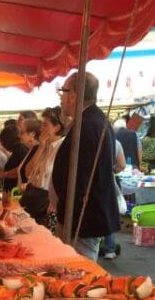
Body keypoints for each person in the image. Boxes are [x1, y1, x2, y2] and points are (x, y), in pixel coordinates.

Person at [51, 71, 120, 261]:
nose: (61, 99)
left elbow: (80, 178)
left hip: (83, 219)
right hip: (85, 215)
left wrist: (66, 218)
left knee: (79, 271)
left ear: (73, 95)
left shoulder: (88, 125)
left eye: (63, 92)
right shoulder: (93, 120)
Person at [23, 106, 65, 228]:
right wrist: (41, 148)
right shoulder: (43, 145)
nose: (41, 128)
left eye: (45, 125)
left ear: (57, 127)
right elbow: (28, 173)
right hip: (33, 197)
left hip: (47, 204)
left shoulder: (62, 148)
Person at [102, 138, 127, 260]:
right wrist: (112, 170)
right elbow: (122, 165)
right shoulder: (115, 142)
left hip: (87, 182)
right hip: (108, 181)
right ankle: (109, 250)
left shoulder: (84, 138)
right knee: (108, 213)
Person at [0, 123, 27, 206]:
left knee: (14, 211)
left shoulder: (20, 149)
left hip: (16, 191)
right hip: (12, 190)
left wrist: (4, 174)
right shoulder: (17, 149)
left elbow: (19, 170)